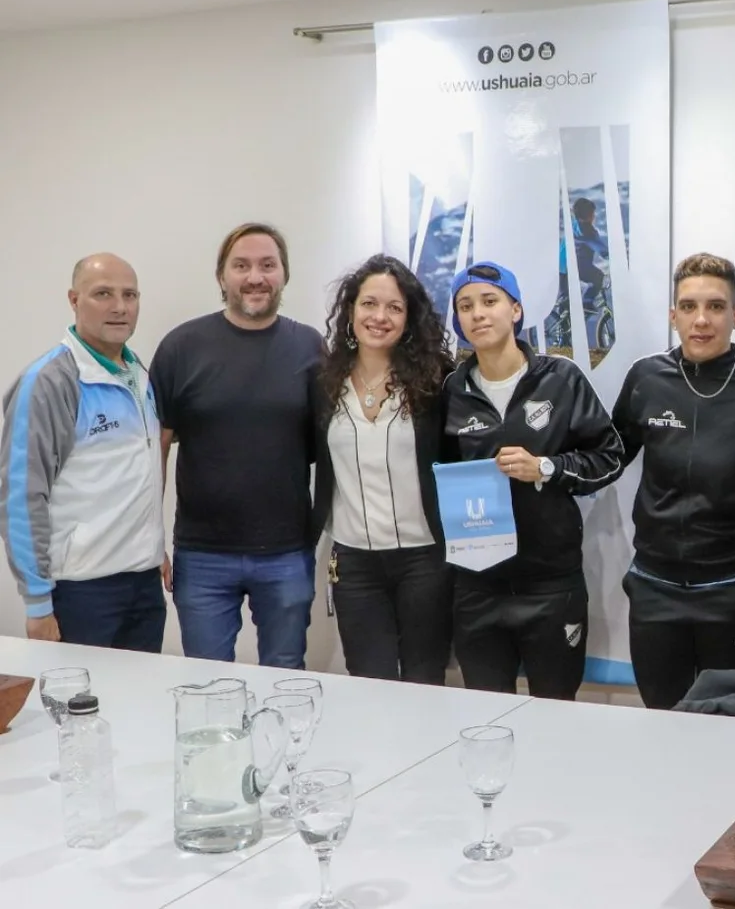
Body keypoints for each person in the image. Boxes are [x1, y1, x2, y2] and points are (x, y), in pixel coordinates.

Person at [612, 252, 735, 711]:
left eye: (716, 307)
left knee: (730, 727)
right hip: (654, 589)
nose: (701, 320)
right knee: (662, 723)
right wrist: (546, 464)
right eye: (689, 306)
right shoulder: (645, 378)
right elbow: (606, 457)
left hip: (733, 591)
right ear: (673, 314)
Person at [441, 261, 624, 700]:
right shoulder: (451, 391)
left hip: (550, 588)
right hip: (477, 587)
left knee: (556, 717)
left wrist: (548, 468)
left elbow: (610, 458)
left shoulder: (561, 379)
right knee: (484, 716)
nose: (478, 314)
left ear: (516, 310)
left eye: (490, 301)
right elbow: (439, 479)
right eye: (465, 306)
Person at [150, 223, 323, 668]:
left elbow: (332, 447)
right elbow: (156, 451)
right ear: (222, 276)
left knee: (287, 682)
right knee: (207, 687)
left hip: (286, 552)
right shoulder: (181, 347)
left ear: (284, 274)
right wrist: (151, 541)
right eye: (241, 265)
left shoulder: (310, 348)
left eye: (268, 265)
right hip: (202, 555)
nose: (255, 277)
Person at [0, 254, 164, 651]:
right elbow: (21, 497)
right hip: (81, 593)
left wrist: (156, 550)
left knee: (139, 706)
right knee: (79, 710)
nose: (120, 306)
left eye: (130, 294)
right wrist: (37, 604)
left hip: (143, 584)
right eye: (102, 294)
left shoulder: (136, 373)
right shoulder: (49, 381)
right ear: (74, 300)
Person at [311, 255, 455, 684]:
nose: (380, 317)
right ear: (350, 311)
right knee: (369, 682)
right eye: (369, 304)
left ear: (409, 318)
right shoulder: (322, 383)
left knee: (425, 680)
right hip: (354, 563)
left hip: (425, 559)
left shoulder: (436, 382)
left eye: (394, 307)